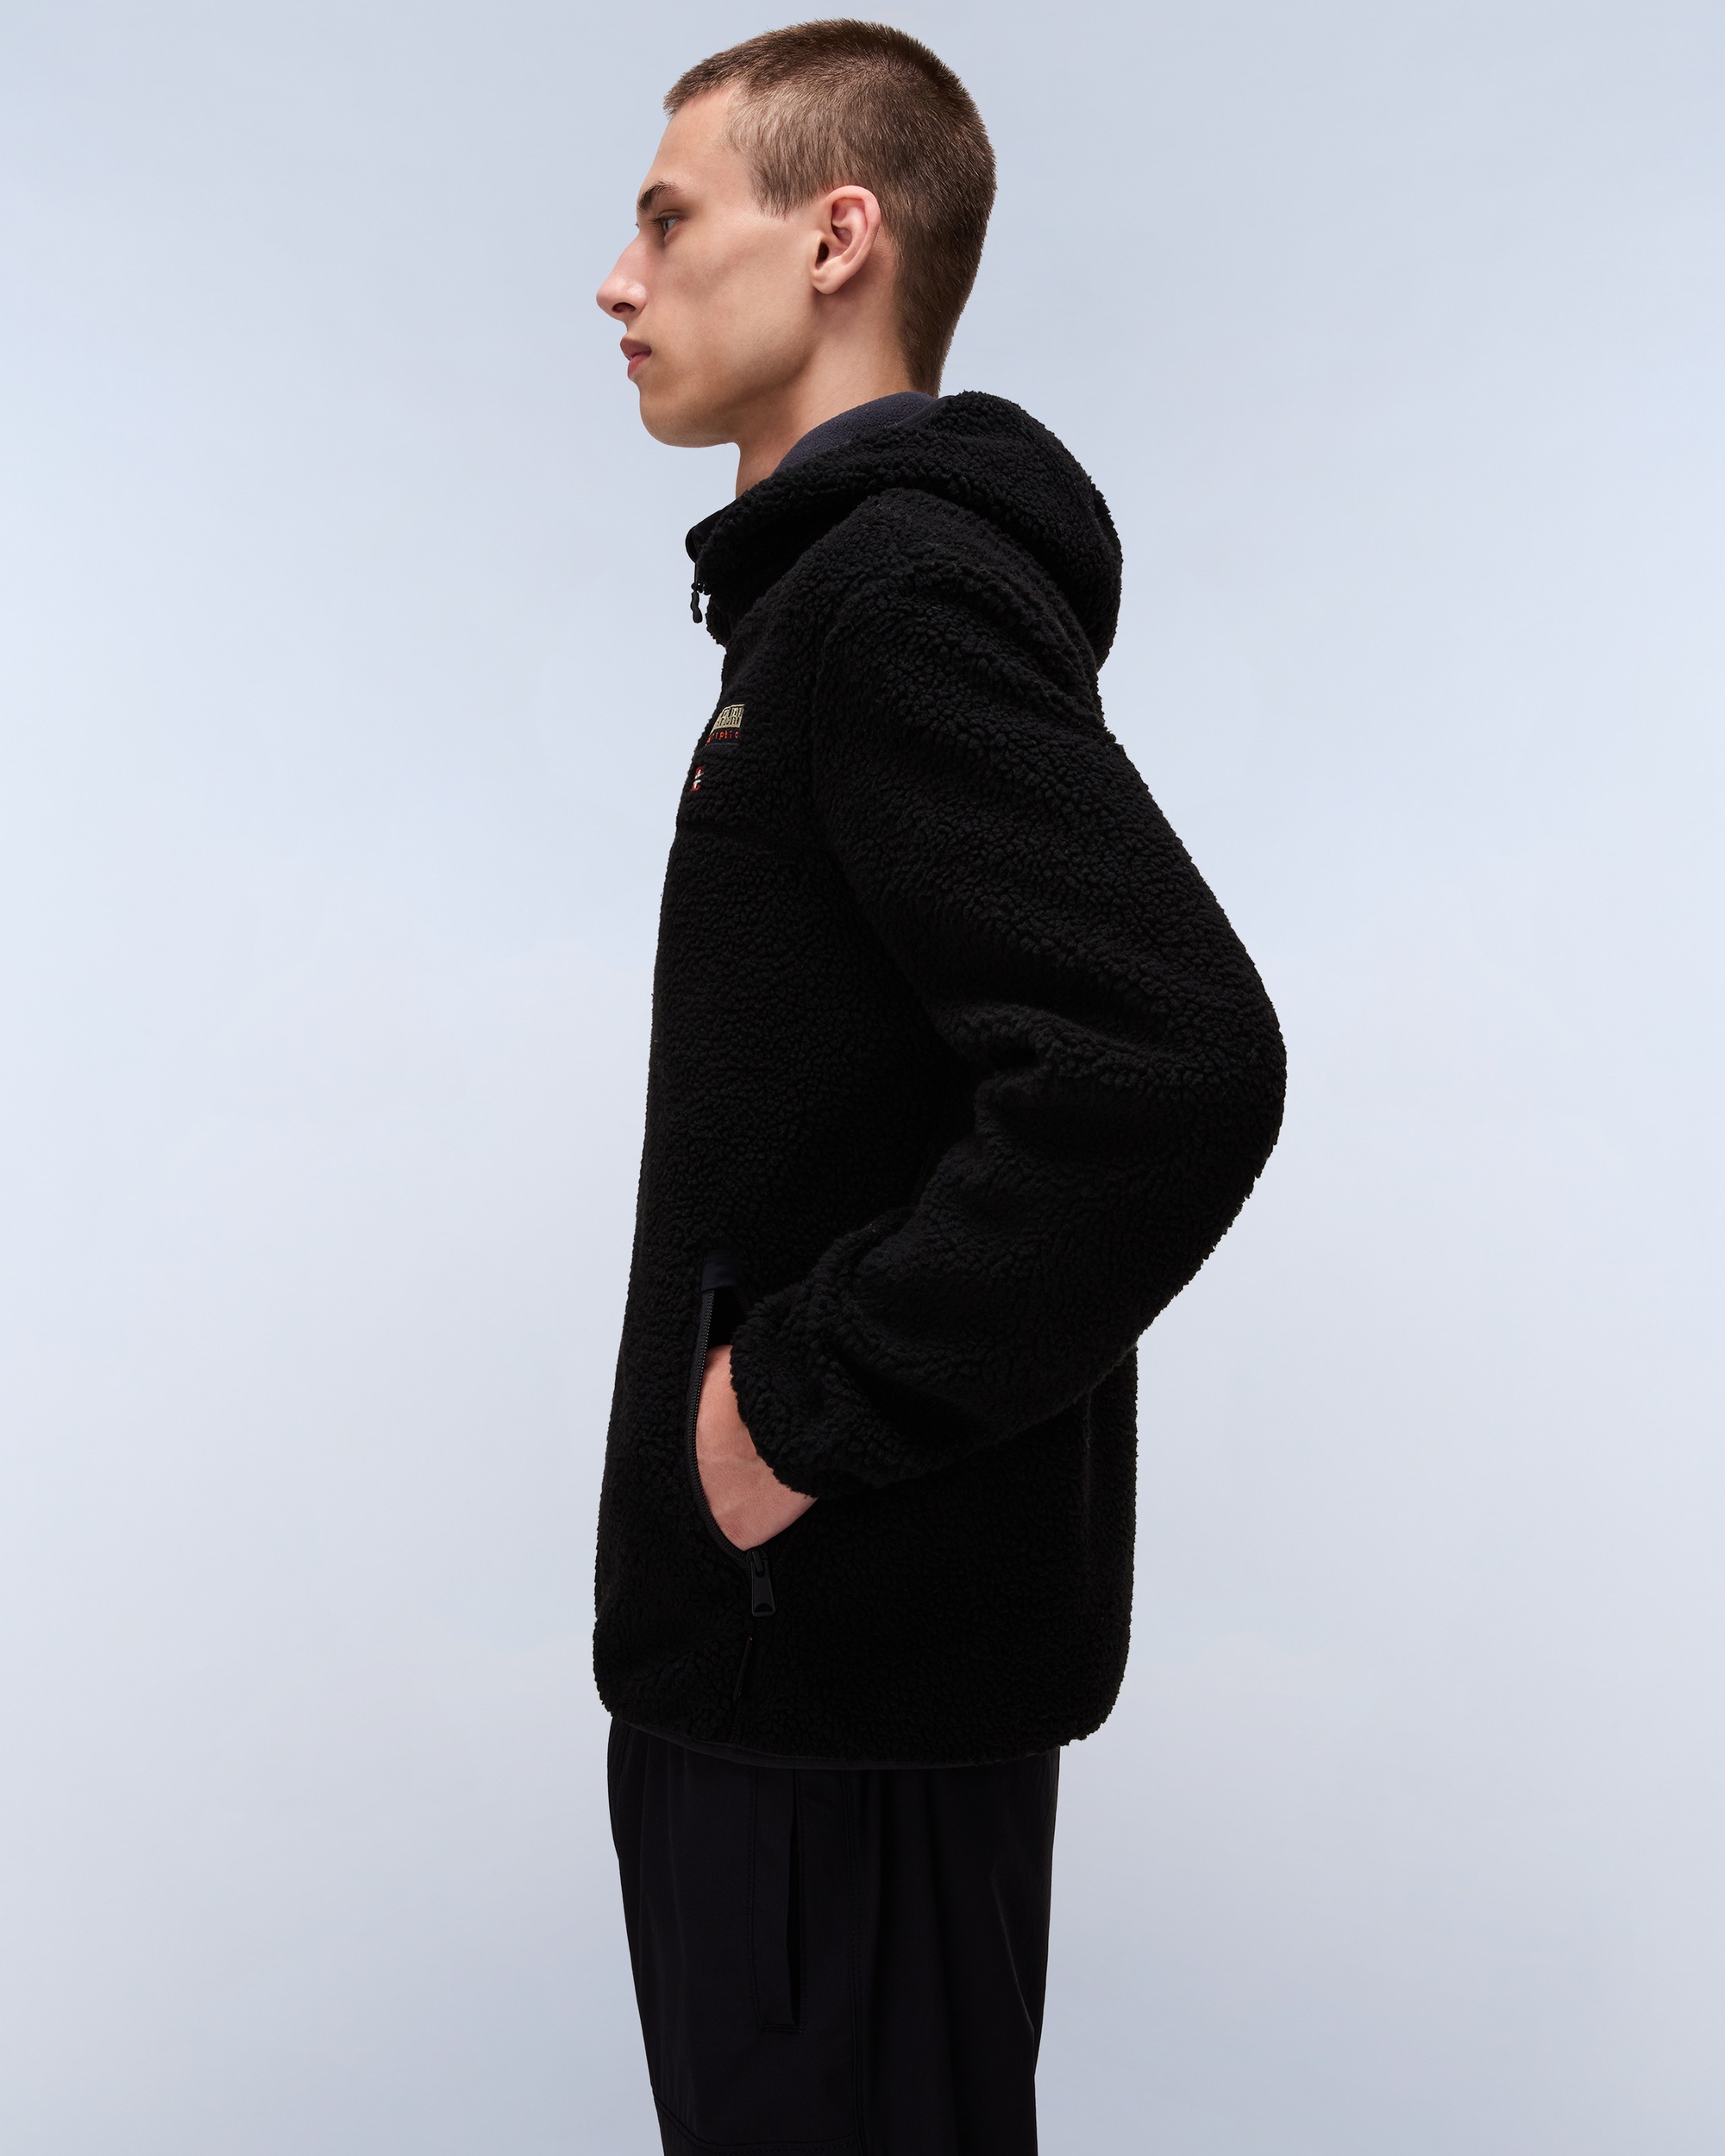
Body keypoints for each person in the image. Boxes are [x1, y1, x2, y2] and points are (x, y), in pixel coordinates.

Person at [592, 22, 1285, 2154]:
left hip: (838, 1698)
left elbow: (1171, 1062)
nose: (617, 278)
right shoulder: (821, 609)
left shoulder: (889, 602)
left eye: (665, 218)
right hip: (798, 1682)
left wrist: (801, 1409)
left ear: (836, 238)